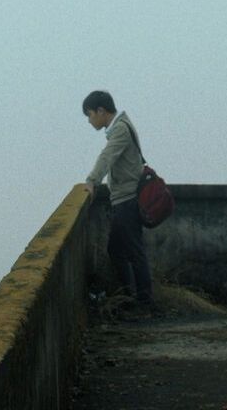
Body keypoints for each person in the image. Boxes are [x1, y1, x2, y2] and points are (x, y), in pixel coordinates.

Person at [82, 90, 155, 313]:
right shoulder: (120, 126)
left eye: (89, 114)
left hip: (127, 199)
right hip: (123, 199)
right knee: (117, 250)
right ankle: (130, 297)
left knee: (133, 252)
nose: (89, 120)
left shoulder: (121, 129)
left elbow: (107, 157)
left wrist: (92, 180)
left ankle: (144, 302)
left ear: (101, 111)